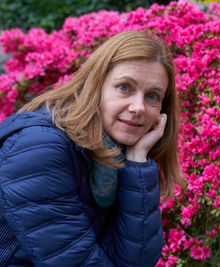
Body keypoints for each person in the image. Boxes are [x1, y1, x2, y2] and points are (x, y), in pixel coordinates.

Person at [0, 30, 183, 266]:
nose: (139, 107)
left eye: (152, 96)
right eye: (125, 87)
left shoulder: (117, 149)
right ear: (96, 85)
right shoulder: (40, 147)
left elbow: (137, 261)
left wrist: (137, 161)